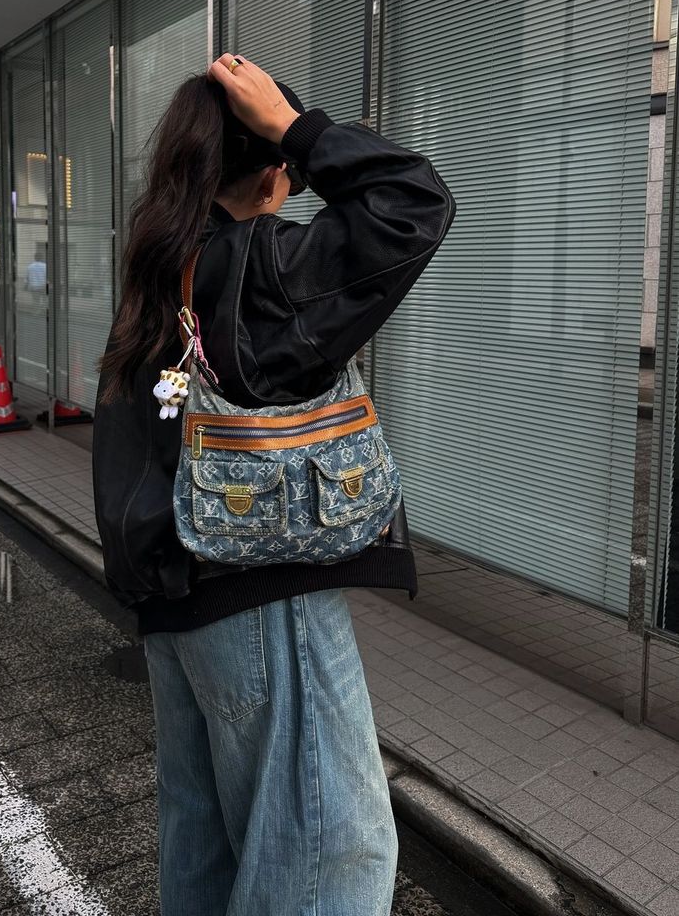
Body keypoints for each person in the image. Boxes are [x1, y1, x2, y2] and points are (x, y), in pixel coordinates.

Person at [92, 53, 456, 915]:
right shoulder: (264, 270)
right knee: (328, 854)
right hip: (258, 592)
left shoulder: (163, 267)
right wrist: (299, 127)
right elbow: (413, 203)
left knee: (208, 842)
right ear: (270, 173)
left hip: (173, 595)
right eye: (287, 171)